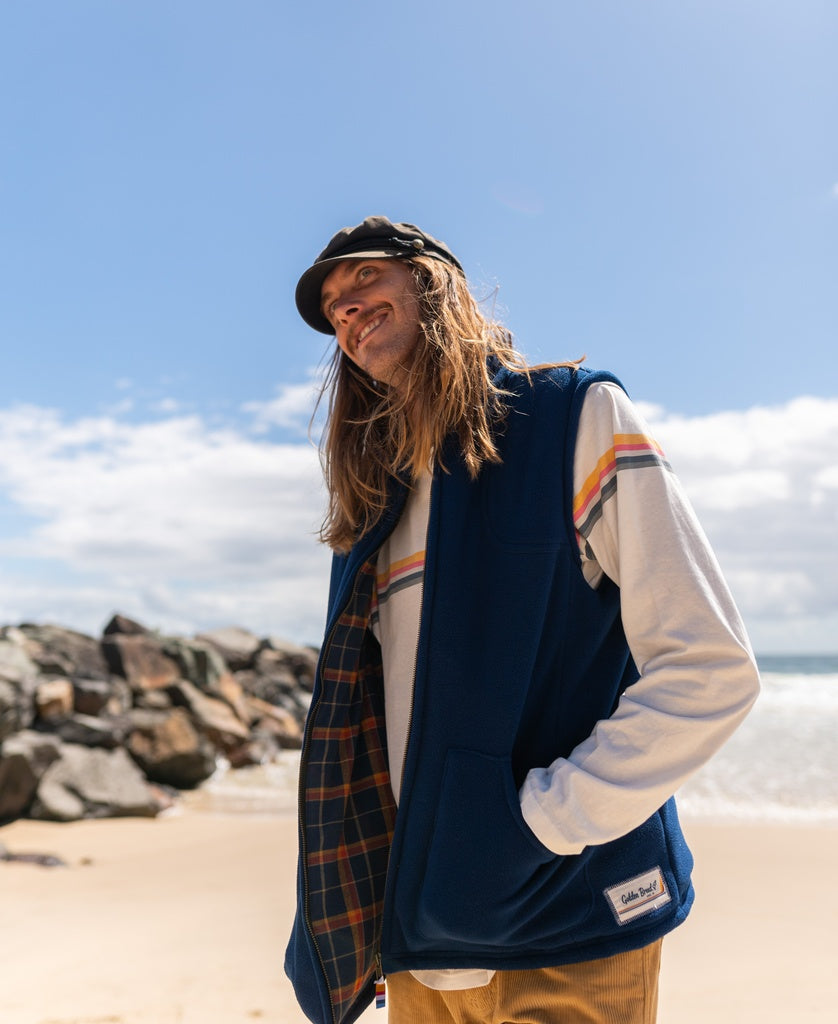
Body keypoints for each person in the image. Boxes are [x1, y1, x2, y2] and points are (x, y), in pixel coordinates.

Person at [285, 216, 759, 1024]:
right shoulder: (373, 502)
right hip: (423, 940)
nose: (347, 308)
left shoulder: (572, 416)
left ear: (434, 283)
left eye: (365, 277)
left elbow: (710, 670)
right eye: (333, 305)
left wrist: (536, 827)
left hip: (570, 921)